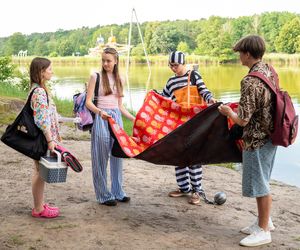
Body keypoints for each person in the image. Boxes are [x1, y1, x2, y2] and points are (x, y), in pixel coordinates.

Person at [218, 35, 276, 247]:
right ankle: (264, 221)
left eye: (240, 52)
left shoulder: (250, 80)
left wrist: (227, 112)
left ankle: (263, 231)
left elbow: (242, 120)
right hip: (271, 136)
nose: (239, 56)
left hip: (257, 139)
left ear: (248, 54)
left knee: (260, 184)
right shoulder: (268, 70)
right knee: (263, 180)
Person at [162, 51, 216, 205]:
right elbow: (164, 97)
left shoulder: (194, 76)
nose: (173, 68)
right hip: (178, 124)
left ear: (183, 63)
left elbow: (204, 91)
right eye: (170, 65)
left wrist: (210, 99)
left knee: (193, 157)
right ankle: (184, 187)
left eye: (176, 65)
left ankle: (197, 190)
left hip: (195, 123)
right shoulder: (171, 81)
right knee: (179, 154)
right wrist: (153, 96)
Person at [86, 47, 135, 206]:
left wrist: (134, 118)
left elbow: (120, 106)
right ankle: (103, 195)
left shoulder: (121, 78)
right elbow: (88, 103)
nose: (105, 63)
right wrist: (100, 113)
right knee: (100, 157)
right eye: (103, 60)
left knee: (117, 155)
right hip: (101, 117)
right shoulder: (96, 76)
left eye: (108, 61)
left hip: (116, 118)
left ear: (115, 61)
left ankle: (118, 192)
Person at [30, 57, 60, 218]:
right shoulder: (39, 91)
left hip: (42, 137)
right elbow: (41, 120)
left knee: (39, 171)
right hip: (42, 138)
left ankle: (39, 205)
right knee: (39, 172)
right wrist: (50, 140)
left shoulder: (38, 88)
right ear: (41, 72)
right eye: (49, 69)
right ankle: (38, 209)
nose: (52, 71)